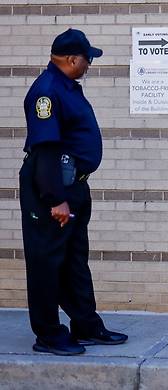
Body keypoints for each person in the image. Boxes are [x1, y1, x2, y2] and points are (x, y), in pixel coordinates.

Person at [19, 28, 128, 356]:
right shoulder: (47, 92)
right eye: (87, 59)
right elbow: (47, 150)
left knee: (75, 259)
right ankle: (49, 334)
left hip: (74, 185)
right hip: (53, 189)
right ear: (71, 59)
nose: (89, 64)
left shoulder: (67, 88)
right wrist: (57, 199)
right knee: (47, 263)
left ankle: (85, 324)